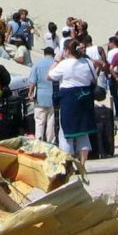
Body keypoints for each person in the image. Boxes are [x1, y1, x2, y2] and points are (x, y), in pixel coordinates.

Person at [49, 40, 103, 168]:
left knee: (66, 133)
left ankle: (68, 165)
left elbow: (50, 76)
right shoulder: (88, 63)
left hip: (68, 99)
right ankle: (82, 164)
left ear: (67, 50)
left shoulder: (64, 64)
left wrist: (56, 61)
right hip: (85, 98)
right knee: (83, 133)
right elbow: (93, 79)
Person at [27, 46, 59, 146]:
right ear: (53, 54)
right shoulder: (56, 64)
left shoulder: (37, 64)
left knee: (40, 121)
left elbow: (32, 82)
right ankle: (51, 142)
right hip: (53, 97)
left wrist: (30, 93)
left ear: (44, 53)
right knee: (51, 121)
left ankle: (39, 142)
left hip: (40, 96)